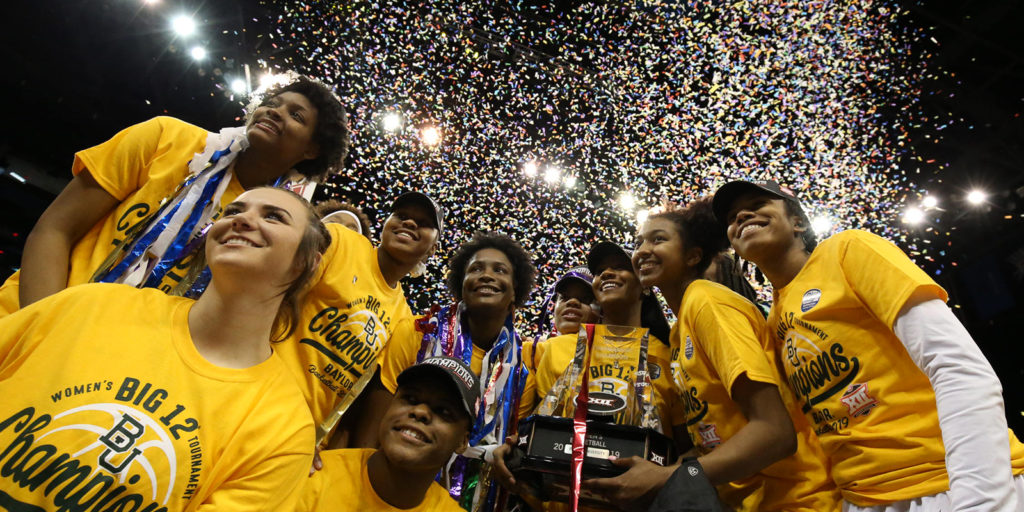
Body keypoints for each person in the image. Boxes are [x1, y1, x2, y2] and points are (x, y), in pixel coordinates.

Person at [0, 187, 326, 510]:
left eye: (273, 217)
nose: (242, 220)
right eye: (233, 211)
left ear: (307, 263)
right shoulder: (93, 303)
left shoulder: (283, 428)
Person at [713, 179, 1024, 511]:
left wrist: (981, 496)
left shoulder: (848, 250)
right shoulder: (773, 322)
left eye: (758, 204)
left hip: (948, 484)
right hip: (863, 499)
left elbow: (956, 366)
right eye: (731, 217)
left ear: (798, 221)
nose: (742, 215)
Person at [0, 74, 350, 317]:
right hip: (26, 317)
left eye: (296, 115)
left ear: (312, 150)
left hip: (111, 367)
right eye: (273, 103)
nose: (275, 110)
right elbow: (55, 229)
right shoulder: (166, 137)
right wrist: (41, 322)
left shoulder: (273, 230)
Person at [586, 196, 840, 511]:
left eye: (658, 239)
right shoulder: (680, 331)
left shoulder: (707, 303)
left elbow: (776, 432)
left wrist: (668, 477)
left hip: (799, 501)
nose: (642, 250)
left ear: (693, 256)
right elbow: (716, 434)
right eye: (639, 242)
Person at [492, 242, 689, 511]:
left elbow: (689, 449)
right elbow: (544, 428)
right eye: (600, 270)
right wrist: (514, 448)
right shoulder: (558, 350)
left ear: (644, 285)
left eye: (620, 267)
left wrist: (666, 476)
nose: (607, 273)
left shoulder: (669, 356)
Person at [375, 231, 538, 512]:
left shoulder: (523, 376)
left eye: (500, 270)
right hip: (391, 493)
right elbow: (375, 418)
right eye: (475, 268)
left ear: (515, 292)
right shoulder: (416, 334)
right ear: (461, 286)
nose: (487, 275)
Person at [276, 191, 443, 448]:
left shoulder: (404, 318)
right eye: (401, 215)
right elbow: (272, 294)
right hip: (256, 400)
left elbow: (359, 402)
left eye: (422, 223)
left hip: (302, 440)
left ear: (433, 248)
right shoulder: (341, 242)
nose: (409, 223)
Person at [299, 356, 476, 512]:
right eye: (410, 399)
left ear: (462, 441)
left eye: (443, 411)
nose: (420, 411)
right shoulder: (311, 478)